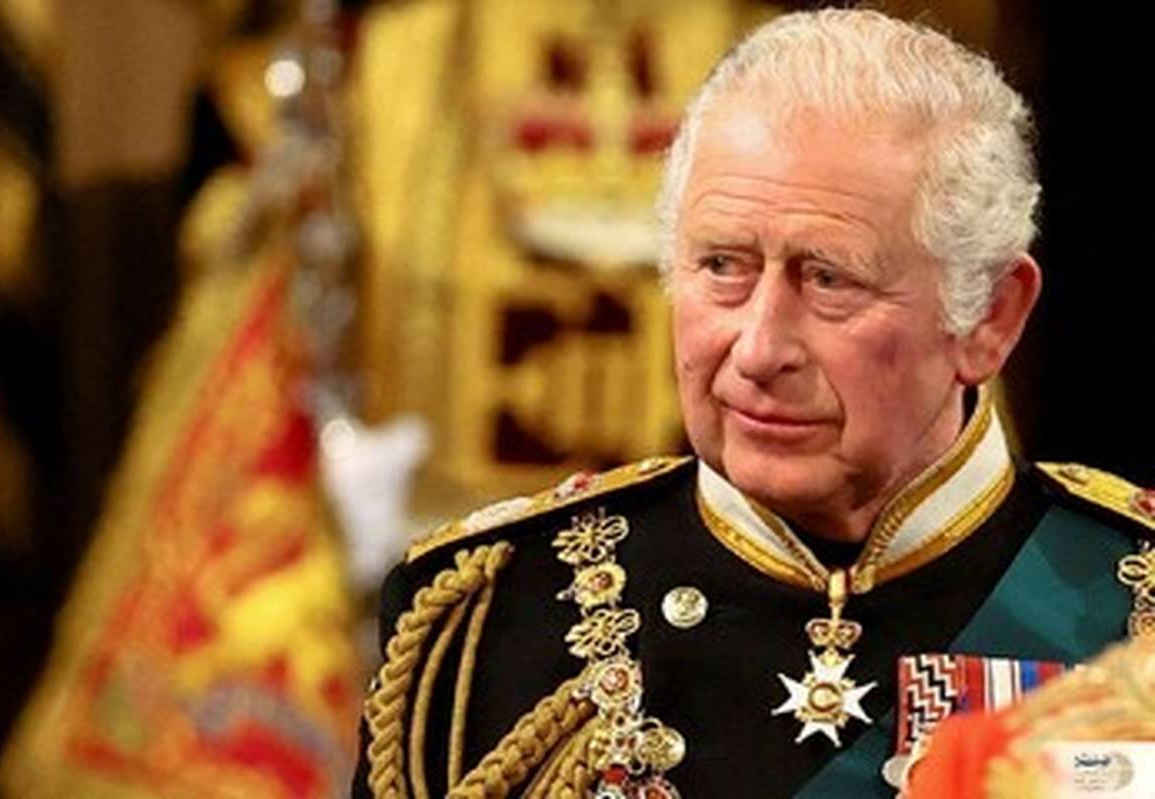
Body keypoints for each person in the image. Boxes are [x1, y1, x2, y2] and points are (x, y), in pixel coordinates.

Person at [352, 9, 1154, 798]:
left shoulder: (1134, 617)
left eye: (830, 279)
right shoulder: (483, 622)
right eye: (722, 266)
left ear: (989, 317)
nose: (760, 348)